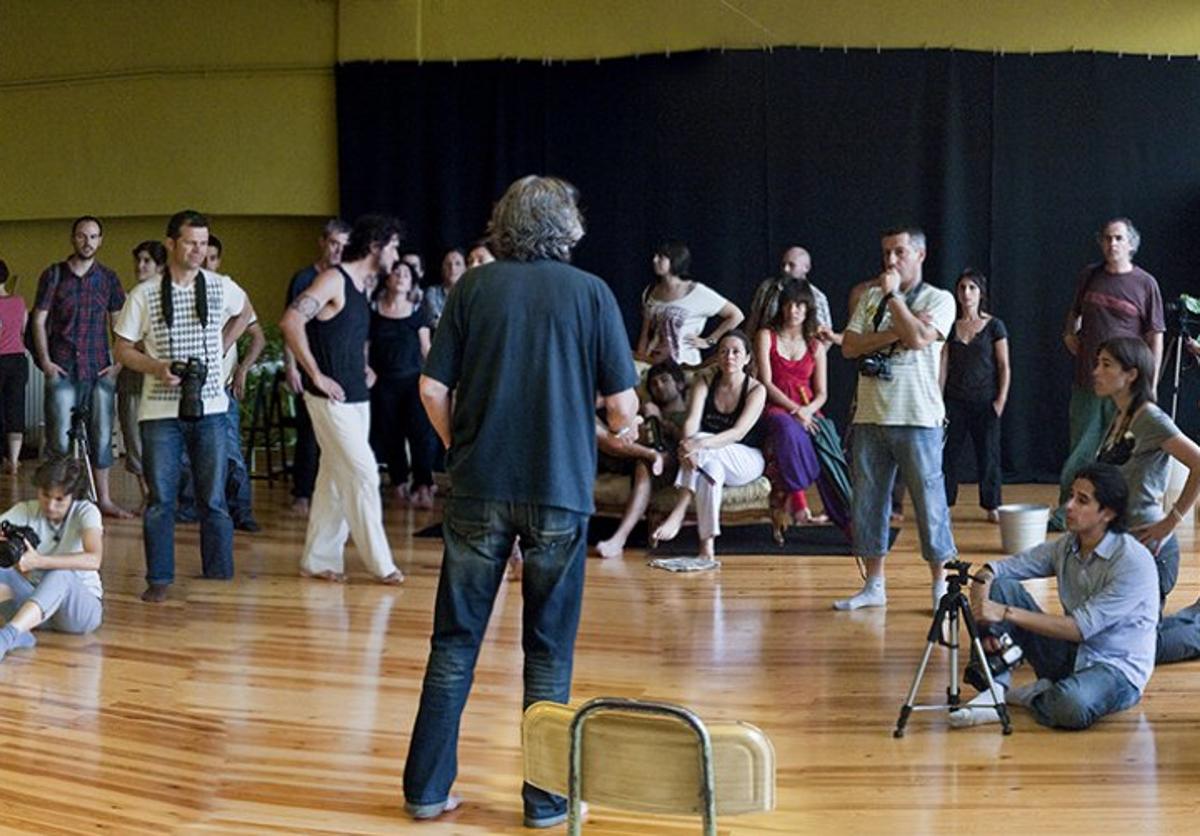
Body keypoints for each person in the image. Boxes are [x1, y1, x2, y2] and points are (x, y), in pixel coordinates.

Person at [403, 175, 639, 827]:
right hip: (560, 491)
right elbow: (622, 408)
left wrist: (460, 448)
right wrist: (624, 429)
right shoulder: (591, 293)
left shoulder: (473, 288)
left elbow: (430, 389)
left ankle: (426, 792)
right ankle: (545, 801)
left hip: (479, 488)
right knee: (548, 650)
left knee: (454, 643)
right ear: (568, 227)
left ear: (503, 224)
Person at [950, 462, 1159, 731]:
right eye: (1071, 495)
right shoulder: (1066, 545)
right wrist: (984, 619)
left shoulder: (1132, 562)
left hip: (1114, 669)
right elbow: (992, 570)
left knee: (1070, 706)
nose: (1068, 506)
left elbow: (1080, 629)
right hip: (1068, 653)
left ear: (1107, 513)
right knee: (1000, 585)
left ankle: (1029, 696)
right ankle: (994, 691)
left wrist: (1003, 613)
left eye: (1082, 500)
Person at [113, 210, 248, 603]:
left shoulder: (221, 286)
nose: (198, 250)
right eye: (190, 242)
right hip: (159, 413)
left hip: (212, 408)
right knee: (160, 500)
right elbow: (121, 348)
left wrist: (221, 346)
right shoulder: (145, 293)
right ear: (171, 243)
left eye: (204, 243)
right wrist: (157, 367)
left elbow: (246, 313)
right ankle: (158, 579)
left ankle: (219, 573)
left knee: (214, 498)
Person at [836, 226, 957, 611]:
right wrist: (896, 330)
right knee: (869, 502)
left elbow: (922, 339)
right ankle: (874, 584)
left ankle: (940, 584)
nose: (890, 260)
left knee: (929, 502)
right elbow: (850, 346)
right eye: (886, 252)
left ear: (920, 255)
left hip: (918, 416)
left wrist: (894, 298)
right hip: (871, 414)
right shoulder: (870, 296)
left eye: (899, 252)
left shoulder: (940, 298)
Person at [279, 215, 404, 586]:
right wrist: (315, 374)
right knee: (364, 474)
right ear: (376, 246)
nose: (396, 254)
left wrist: (365, 366)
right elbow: (290, 321)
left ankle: (317, 560)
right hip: (329, 400)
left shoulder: (361, 286)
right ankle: (382, 564)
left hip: (356, 398)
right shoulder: (333, 278)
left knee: (334, 481)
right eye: (393, 246)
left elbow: (343, 335)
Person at [1054, 218, 1164, 530]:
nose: (1111, 244)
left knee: (1125, 457)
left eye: (1118, 239)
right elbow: (1073, 316)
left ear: (1131, 244)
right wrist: (1068, 335)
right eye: (1106, 238)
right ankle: (1066, 514)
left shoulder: (1145, 284)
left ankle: (1114, 516)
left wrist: (1149, 385)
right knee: (1081, 454)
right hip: (1088, 383)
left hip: (1127, 389)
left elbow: (1154, 336)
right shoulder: (1090, 276)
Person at [31, 216, 132, 518]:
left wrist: (118, 363)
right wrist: (45, 361)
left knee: (101, 436)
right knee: (59, 440)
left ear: (100, 240)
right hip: (62, 367)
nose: (87, 242)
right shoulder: (53, 275)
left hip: (99, 367)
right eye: (82, 236)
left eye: (94, 236)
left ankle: (104, 500)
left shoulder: (109, 278)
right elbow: (38, 320)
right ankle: (59, 500)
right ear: (72, 239)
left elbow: (119, 322)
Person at [650, 330, 767, 560]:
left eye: (736, 352)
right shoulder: (704, 379)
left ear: (747, 358)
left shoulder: (756, 389)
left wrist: (696, 444)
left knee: (704, 447)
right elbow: (691, 420)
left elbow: (738, 432)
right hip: (709, 458)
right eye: (723, 351)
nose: (729, 356)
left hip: (747, 460)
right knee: (710, 473)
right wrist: (686, 445)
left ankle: (679, 511)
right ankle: (707, 549)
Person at [755, 279, 850, 539]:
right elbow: (766, 382)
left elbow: (822, 394)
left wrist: (806, 411)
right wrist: (796, 411)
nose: (793, 310)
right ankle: (799, 484)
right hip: (775, 407)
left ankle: (849, 522)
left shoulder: (815, 344)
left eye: (799, 305)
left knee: (828, 447)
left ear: (808, 309)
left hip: (808, 409)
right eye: (788, 304)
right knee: (787, 427)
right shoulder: (766, 336)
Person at [0, 458, 105, 662]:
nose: (50, 505)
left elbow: (94, 559)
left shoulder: (86, 511)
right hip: (35, 608)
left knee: (61, 574)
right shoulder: (27, 509)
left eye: (59, 500)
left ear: (72, 497)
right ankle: (22, 633)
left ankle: (7, 636)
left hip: (78, 613)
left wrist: (39, 561)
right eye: (45, 496)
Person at [285, 219, 352, 517]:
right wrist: (292, 367)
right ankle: (302, 493)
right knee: (309, 433)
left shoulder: (346, 279)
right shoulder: (304, 279)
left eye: (343, 246)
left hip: (340, 367)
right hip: (309, 365)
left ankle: (337, 496)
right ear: (323, 242)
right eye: (334, 243)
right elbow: (290, 323)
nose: (337, 250)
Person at [595, 358, 690, 559]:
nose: (658, 387)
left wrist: (661, 421)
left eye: (664, 380)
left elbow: (690, 444)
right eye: (654, 384)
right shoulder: (647, 409)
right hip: (632, 455)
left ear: (680, 384)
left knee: (644, 465)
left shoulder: (689, 413)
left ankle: (619, 538)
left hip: (674, 461)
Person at [940, 268, 1010, 522]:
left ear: (980, 293)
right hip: (955, 401)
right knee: (948, 455)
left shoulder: (994, 326)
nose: (966, 293)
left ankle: (992, 505)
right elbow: (944, 364)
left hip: (985, 400)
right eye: (962, 288)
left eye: (972, 288)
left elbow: (1004, 365)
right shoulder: (950, 326)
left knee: (988, 454)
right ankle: (945, 503)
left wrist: (1000, 400)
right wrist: (938, 401)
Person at [206, 239, 265, 532]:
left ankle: (242, 510)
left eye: (213, 258)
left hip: (225, 386)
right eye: (204, 257)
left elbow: (258, 336)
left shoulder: (231, 292)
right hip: (193, 387)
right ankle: (193, 507)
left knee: (231, 452)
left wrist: (242, 369)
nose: (207, 263)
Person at [368, 259, 435, 508]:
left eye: (406, 274)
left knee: (420, 434)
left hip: (413, 381)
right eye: (396, 273)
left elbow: (426, 349)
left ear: (412, 283)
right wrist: (366, 369)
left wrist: (435, 379)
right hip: (384, 382)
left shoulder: (418, 311)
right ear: (387, 279)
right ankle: (398, 481)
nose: (401, 277)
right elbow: (365, 347)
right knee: (390, 433)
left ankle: (423, 484)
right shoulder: (374, 311)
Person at [635, 240, 743, 367]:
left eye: (661, 257)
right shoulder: (650, 291)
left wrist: (709, 341)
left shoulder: (696, 291)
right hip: (653, 365)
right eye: (655, 256)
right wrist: (641, 360)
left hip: (685, 366)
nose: (654, 260)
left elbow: (736, 315)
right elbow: (645, 332)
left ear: (675, 260)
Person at [116, 241, 167, 505]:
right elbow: (124, 341)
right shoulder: (131, 297)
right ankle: (148, 496)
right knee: (134, 439)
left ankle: (164, 495)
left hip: (163, 381)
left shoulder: (171, 297)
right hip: (133, 378)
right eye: (138, 260)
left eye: (147, 261)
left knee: (161, 440)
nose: (140, 266)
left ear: (160, 265)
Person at [744, 245, 833, 338]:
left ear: (806, 268)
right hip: (765, 347)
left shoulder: (817, 297)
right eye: (783, 265)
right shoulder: (767, 288)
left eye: (791, 265)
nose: (785, 269)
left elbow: (826, 336)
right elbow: (753, 321)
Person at [0, 259, 28, 474]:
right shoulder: (19, 301)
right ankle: (15, 461)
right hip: (18, 359)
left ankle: (2, 458)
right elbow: (23, 330)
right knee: (15, 408)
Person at [421, 247, 466, 331]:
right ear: (442, 268)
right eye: (448, 264)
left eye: (458, 264)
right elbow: (436, 323)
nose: (452, 268)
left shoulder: (471, 294)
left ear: (465, 269)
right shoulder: (432, 293)